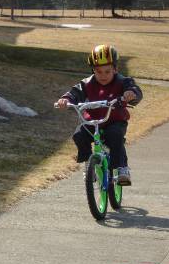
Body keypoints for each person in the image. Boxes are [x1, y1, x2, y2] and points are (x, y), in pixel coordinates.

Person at [56, 44, 143, 185]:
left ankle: (121, 168)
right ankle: (89, 163)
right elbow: (74, 93)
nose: (103, 75)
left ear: (115, 69)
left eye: (107, 71)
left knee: (115, 136)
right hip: (92, 121)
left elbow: (134, 90)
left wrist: (131, 94)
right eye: (98, 71)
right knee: (79, 135)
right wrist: (65, 100)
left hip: (115, 120)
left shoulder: (123, 81)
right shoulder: (86, 83)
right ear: (93, 71)